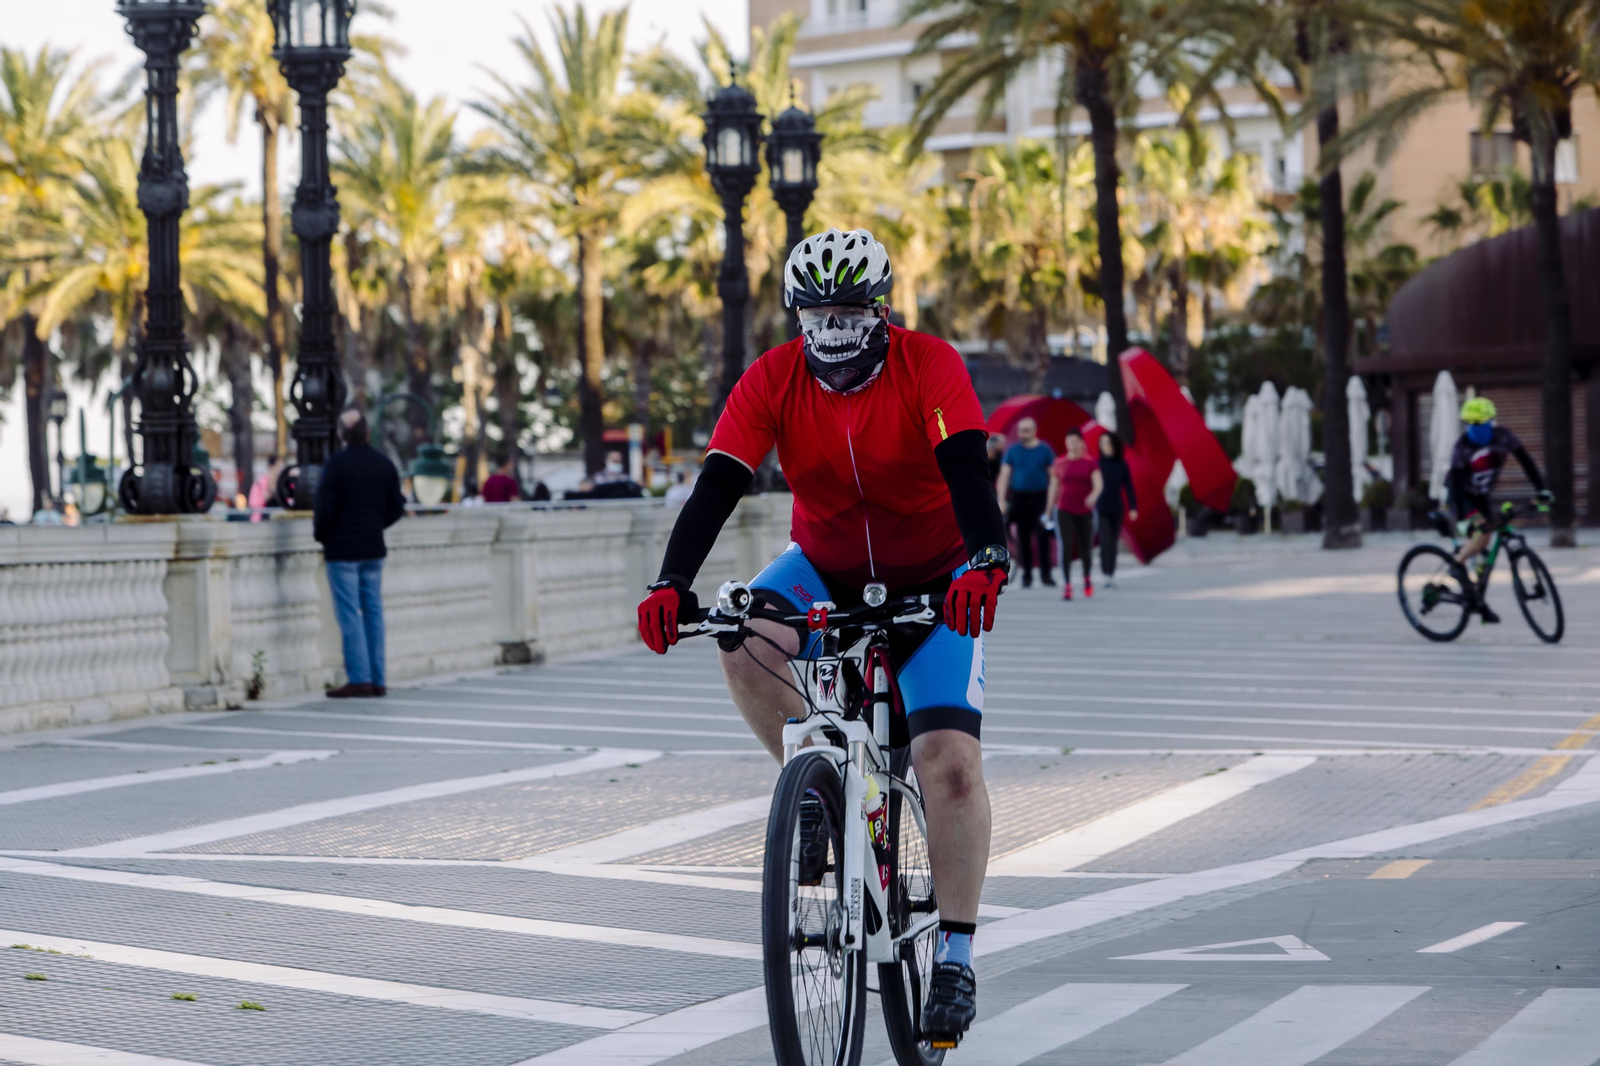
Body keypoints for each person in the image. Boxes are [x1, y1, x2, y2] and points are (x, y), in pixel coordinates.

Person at [635, 228, 1007, 1046]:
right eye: (817, 315)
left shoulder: (927, 362)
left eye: (847, 313)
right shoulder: (770, 378)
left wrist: (985, 559)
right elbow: (718, 484)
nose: (832, 332)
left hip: (937, 576)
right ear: (795, 314)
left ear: (880, 310)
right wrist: (670, 582)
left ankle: (954, 952)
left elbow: (966, 466)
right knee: (740, 636)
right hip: (825, 567)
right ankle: (814, 791)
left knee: (948, 765)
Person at [313, 409, 406, 699]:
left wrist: (324, 536)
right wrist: (376, 525)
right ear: (367, 433)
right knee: (373, 612)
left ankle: (360, 678)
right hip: (372, 548)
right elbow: (396, 507)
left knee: (350, 614)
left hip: (342, 551)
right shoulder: (384, 465)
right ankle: (377, 679)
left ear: (341, 435)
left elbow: (324, 510)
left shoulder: (336, 466)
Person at [1447, 396, 1552, 623]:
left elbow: (1526, 461)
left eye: (1480, 423)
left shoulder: (1504, 436)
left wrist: (1541, 490)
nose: (1475, 428)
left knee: (1491, 544)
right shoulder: (1462, 446)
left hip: (1482, 494)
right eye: (1470, 424)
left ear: (1491, 421)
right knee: (1484, 534)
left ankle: (1478, 599)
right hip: (1461, 495)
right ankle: (1456, 565)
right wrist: (1470, 516)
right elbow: (1455, 487)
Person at [995, 417, 1056, 587]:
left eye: (1026, 429)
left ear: (1034, 430)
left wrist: (1050, 503)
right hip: (1019, 497)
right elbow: (1004, 476)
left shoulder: (1044, 450)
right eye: (1021, 430)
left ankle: (1046, 575)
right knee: (1023, 537)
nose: (1023, 433)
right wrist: (1001, 499)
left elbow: (1053, 477)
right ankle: (1027, 574)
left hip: (1040, 497)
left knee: (1043, 536)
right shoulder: (1013, 451)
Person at [1045, 427, 1098, 600]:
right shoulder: (1060, 462)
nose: (1073, 445)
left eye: (1076, 442)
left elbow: (1099, 484)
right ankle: (1067, 584)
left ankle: (1087, 578)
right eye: (1070, 442)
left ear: (1082, 443)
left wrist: (1093, 496)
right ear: (1066, 443)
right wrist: (1048, 509)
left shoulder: (1090, 463)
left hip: (1085, 510)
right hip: (1063, 510)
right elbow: (1053, 486)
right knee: (1065, 546)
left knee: (1085, 548)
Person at [1090, 431, 1138, 588]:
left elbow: (1129, 487)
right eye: (1103, 443)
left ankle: (1111, 573)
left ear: (1114, 446)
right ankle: (1105, 573)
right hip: (1101, 508)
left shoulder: (1122, 465)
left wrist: (1133, 507)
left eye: (1108, 443)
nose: (1106, 446)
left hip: (1117, 509)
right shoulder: (1096, 464)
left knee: (1113, 542)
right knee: (1105, 542)